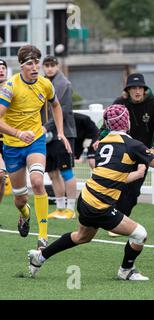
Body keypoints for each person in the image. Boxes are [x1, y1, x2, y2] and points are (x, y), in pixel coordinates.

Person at [27, 104, 154, 280]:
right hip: (100, 205)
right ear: (127, 123)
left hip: (86, 198)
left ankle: (40, 257)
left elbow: (113, 176)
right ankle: (126, 270)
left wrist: (137, 173)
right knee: (140, 234)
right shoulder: (132, 145)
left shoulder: (102, 143)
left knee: (81, 237)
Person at [0, 45, 72, 249]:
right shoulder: (10, 87)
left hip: (35, 140)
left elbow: (56, 105)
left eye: (36, 63)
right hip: (13, 145)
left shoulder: (45, 84)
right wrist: (17, 133)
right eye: (30, 63)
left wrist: (60, 131)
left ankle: (42, 237)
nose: (35, 67)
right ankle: (25, 214)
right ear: (21, 66)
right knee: (20, 199)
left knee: (38, 181)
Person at [96, 73, 154, 237]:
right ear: (127, 90)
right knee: (117, 185)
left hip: (142, 153)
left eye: (140, 88)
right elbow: (106, 126)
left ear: (144, 89)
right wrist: (98, 140)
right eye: (133, 88)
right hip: (120, 151)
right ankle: (113, 219)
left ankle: (121, 220)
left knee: (133, 191)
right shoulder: (119, 103)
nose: (137, 91)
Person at [42, 55, 77, 220]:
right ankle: (60, 208)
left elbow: (60, 110)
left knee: (66, 171)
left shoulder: (63, 84)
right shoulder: (42, 82)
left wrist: (45, 127)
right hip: (46, 134)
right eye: (46, 65)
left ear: (57, 66)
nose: (49, 68)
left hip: (64, 134)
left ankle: (71, 208)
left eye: (52, 65)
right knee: (52, 172)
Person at [0, 58, 8, 203]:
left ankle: (24, 212)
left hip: (12, 140)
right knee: (0, 175)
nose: (1, 70)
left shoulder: (14, 88)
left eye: (3, 68)